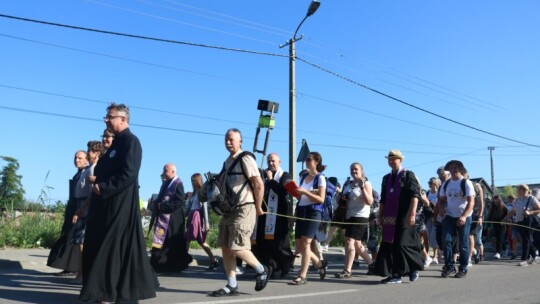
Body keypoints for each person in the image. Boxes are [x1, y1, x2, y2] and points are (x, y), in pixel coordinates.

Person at [80, 103, 158, 303]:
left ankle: (104, 293)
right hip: (105, 206)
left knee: (111, 251)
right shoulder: (115, 145)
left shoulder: (131, 142)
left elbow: (128, 173)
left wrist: (104, 187)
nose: (106, 120)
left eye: (110, 116)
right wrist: (98, 182)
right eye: (106, 117)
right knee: (99, 247)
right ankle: (102, 293)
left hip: (119, 208)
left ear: (123, 119)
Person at [211, 128, 269, 297]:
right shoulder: (227, 161)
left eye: (231, 139)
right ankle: (231, 285)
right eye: (226, 140)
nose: (228, 142)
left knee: (237, 246)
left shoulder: (246, 158)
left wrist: (258, 207)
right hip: (229, 209)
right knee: (225, 247)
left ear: (240, 141)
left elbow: (258, 183)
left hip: (245, 207)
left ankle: (261, 269)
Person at [373, 150, 424, 284]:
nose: (391, 161)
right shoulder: (386, 178)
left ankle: (413, 268)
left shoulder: (408, 175)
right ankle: (396, 274)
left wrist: (412, 214)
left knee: (403, 244)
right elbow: (383, 199)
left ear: (400, 160)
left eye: (394, 159)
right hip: (390, 216)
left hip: (405, 214)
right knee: (391, 244)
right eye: (389, 159)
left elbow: (415, 196)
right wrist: (380, 215)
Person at [288, 152, 328, 285]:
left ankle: (302, 275)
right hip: (301, 210)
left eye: (309, 159)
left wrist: (304, 192)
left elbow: (321, 199)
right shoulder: (304, 176)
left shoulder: (320, 178)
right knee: (300, 245)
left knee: (306, 243)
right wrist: (295, 192)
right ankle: (319, 263)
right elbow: (301, 197)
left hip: (314, 212)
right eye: (306, 159)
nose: (307, 161)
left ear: (317, 161)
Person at [47, 150, 87, 277]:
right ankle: (69, 267)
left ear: (86, 159)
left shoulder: (86, 173)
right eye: (75, 158)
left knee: (73, 237)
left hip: (79, 210)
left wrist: (79, 211)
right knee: (67, 235)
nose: (77, 160)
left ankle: (72, 268)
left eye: (80, 158)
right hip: (72, 208)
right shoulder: (78, 174)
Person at [253, 153, 294, 278]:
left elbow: (283, 191)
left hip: (279, 216)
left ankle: (286, 263)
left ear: (279, 162)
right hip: (265, 215)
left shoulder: (285, 176)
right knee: (264, 244)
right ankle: (269, 268)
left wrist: (270, 180)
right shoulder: (264, 176)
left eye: (273, 161)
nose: (270, 164)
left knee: (279, 245)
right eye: (269, 161)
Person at [149, 163, 192, 273]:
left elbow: (179, 201)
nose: (163, 173)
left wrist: (163, 206)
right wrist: (155, 204)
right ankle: (158, 264)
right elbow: (160, 197)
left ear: (173, 172)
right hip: (162, 217)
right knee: (161, 241)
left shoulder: (178, 184)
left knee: (172, 242)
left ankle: (173, 265)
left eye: (165, 171)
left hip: (173, 218)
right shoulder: (165, 183)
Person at [71, 140, 104, 283]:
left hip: (85, 209)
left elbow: (92, 194)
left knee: (82, 243)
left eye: (90, 151)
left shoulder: (94, 169)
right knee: (79, 243)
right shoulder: (88, 169)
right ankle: (80, 273)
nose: (88, 153)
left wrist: (80, 211)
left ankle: (82, 274)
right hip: (81, 205)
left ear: (96, 153)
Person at [334, 162, 374, 279]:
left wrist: (362, 187)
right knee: (357, 244)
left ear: (361, 171)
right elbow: (343, 200)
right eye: (351, 169)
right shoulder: (348, 184)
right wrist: (339, 196)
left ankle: (347, 270)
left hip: (360, 216)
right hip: (348, 216)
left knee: (349, 241)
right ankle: (372, 264)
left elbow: (370, 201)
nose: (353, 171)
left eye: (356, 169)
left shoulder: (366, 183)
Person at [439, 160, 475, 278]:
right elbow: (442, 200)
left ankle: (463, 268)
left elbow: (471, 202)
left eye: (456, 167)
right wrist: (442, 210)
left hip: (464, 216)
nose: (453, 169)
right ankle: (449, 266)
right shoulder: (446, 184)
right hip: (449, 216)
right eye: (451, 168)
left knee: (463, 244)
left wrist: (464, 216)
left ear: (461, 169)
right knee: (446, 241)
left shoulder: (466, 183)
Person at [186, 173, 219, 270]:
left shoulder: (202, 191)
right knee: (193, 240)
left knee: (198, 240)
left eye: (194, 180)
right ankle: (213, 260)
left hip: (197, 216)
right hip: (192, 215)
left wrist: (206, 222)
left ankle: (185, 259)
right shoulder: (194, 192)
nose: (192, 182)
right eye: (191, 180)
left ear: (198, 180)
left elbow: (205, 207)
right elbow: (189, 207)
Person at [503, 184, 540, 266]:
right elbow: (513, 211)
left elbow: (539, 209)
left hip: (529, 221)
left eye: (519, 190)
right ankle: (534, 256)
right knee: (525, 239)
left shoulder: (531, 199)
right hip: (519, 221)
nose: (517, 191)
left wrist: (530, 212)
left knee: (526, 239)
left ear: (524, 190)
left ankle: (524, 259)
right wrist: (505, 218)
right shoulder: (517, 200)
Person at [487, 195, 508, 259]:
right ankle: (504, 248)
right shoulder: (492, 208)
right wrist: (488, 226)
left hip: (502, 225)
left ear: (499, 200)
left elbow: (507, 216)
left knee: (500, 238)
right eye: (494, 200)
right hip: (495, 225)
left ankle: (498, 252)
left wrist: (504, 221)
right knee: (496, 238)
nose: (495, 202)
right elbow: (490, 217)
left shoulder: (504, 208)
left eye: (496, 200)